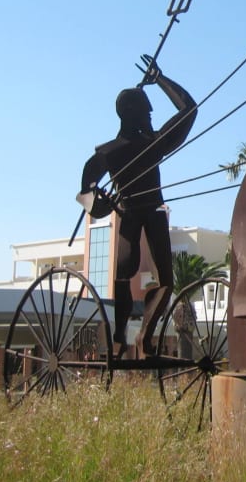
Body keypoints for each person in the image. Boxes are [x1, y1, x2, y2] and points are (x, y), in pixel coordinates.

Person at [77, 54, 197, 358]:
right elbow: (86, 192)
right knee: (123, 273)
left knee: (165, 282)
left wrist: (160, 80)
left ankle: (144, 336)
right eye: (146, 113)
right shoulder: (111, 152)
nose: (151, 118)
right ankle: (120, 338)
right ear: (132, 115)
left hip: (153, 212)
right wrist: (97, 202)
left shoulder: (151, 144)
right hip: (129, 213)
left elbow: (190, 110)